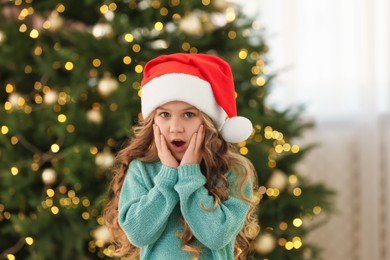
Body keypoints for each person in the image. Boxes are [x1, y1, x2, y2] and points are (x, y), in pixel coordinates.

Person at [104, 53, 259, 259]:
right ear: (153, 121)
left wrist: (190, 176)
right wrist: (167, 178)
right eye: (164, 114)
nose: (175, 128)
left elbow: (216, 236)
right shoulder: (142, 169)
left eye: (189, 114)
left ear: (208, 120)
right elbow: (138, 234)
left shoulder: (234, 171)